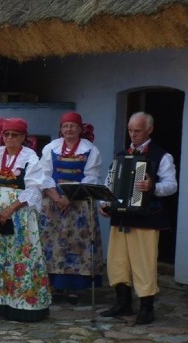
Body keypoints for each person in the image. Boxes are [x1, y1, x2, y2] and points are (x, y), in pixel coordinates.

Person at [100, 112, 177, 325]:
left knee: (144, 263)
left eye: (137, 131)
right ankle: (123, 303)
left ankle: (146, 308)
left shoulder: (162, 156)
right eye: (130, 130)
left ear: (149, 130)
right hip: (121, 218)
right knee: (118, 262)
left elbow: (171, 186)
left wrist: (152, 187)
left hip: (146, 218)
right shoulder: (121, 155)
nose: (133, 135)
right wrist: (104, 204)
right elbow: (110, 183)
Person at [0, 118, 51, 321]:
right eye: (6, 134)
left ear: (23, 137)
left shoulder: (30, 158)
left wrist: (10, 209)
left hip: (19, 217)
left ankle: (20, 304)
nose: (9, 138)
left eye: (14, 135)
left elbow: (34, 188)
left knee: (19, 256)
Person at [39, 112, 104, 304]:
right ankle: (54, 284)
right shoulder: (51, 148)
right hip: (54, 202)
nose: (68, 129)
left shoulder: (90, 149)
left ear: (80, 129)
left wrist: (69, 197)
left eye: (73, 126)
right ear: (61, 128)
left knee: (77, 244)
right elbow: (44, 174)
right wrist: (56, 197)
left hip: (79, 203)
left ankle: (75, 287)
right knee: (52, 243)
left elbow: (91, 176)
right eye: (65, 126)